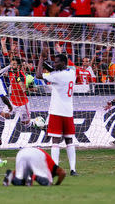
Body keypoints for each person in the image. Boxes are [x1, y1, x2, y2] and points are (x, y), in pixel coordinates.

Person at [36, 47, 78, 176]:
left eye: (57, 62)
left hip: (56, 111)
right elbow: (54, 70)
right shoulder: (71, 72)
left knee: (55, 141)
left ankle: (54, 169)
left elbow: (38, 75)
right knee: (69, 141)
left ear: (63, 63)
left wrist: (42, 58)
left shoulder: (57, 76)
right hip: (68, 112)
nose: (54, 64)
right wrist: (49, 65)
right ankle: (73, 169)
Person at [0, 57, 30, 145]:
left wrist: (20, 82)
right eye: (11, 64)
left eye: (14, 64)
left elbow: (23, 88)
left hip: (23, 104)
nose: (11, 66)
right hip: (13, 102)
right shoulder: (11, 72)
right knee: (1, 116)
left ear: (18, 66)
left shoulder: (21, 75)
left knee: (26, 124)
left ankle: (42, 127)